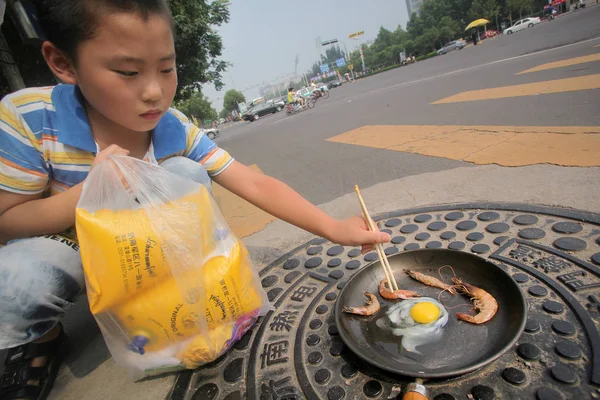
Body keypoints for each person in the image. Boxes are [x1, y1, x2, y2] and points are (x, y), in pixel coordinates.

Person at [0, 1, 391, 399]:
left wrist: (334, 228)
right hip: (70, 247)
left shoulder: (173, 127)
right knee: (19, 281)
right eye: (128, 72)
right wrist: (91, 191)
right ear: (63, 63)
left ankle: (179, 300)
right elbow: (7, 219)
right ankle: (43, 338)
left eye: (166, 68)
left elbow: (253, 184)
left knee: (186, 173)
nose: (154, 91)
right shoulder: (32, 117)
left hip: (142, 259)